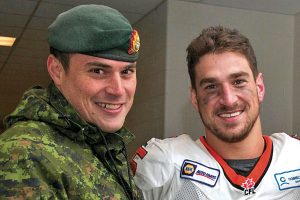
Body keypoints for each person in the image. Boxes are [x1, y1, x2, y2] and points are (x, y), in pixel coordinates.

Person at [131, 26, 300, 199]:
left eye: (239, 82)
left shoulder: (296, 157)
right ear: (195, 98)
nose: (228, 100)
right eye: (211, 87)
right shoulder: (164, 163)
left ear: (260, 87)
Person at [0, 4, 142, 199]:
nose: (117, 90)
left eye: (126, 72)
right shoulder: (26, 155)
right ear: (57, 70)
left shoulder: (102, 144)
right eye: (98, 71)